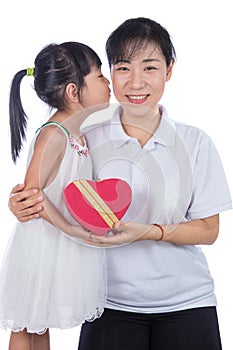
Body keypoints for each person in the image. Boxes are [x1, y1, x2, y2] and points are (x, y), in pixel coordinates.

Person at [8, 17, 232, 350]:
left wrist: (149, 230)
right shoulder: (86, 136)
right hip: (109, 306)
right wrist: (22, 204)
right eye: (123, 68)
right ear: (111, 73)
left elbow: (209, 230)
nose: (135, 82)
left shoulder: (194, 142)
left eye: (151, 67)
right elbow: (54, 189)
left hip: (188, 304)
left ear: (169, 70)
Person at [0, 41, 111, 350]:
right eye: (100, 75)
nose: (108, 83)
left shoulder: (78, 131)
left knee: (39, 321)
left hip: (53, 243)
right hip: (40, 245)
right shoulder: (54, 134)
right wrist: (71, 229)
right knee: (26, 322)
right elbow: (31, 194)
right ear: (74, 92)